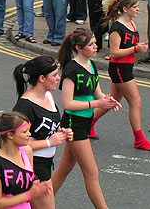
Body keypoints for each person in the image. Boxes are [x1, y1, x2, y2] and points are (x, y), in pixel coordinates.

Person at [51, 28, 121, 209]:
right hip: (74, 124)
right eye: (91, 44)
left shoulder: (91, 64)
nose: (96, 47)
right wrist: (96, 105)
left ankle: (39, 202)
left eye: (95, 43)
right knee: (92, 173)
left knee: (64, 169)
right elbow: (67, 104)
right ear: (79, 48)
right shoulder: (71, 69)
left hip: (84, 123)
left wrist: (108, 100)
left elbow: (96, 92)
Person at [92, 0, 150, 151]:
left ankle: (88, 124)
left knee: (112, 100)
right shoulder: (117, 27)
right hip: (120, 69)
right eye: (135, 7)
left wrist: (139, 47)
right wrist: (136, 49)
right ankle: (139, 139)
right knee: (135, 101)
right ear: (125, 9)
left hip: (126, 67)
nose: (137, 10)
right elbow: (114, 53)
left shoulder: (131, 24)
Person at [12, 55, 73, 209]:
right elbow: (14, 144)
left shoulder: (48, 96)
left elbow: (47, 125)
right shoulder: (25, 107)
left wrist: (61, 131)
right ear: (41, 78)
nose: (58, 78)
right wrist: (49, 142)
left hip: (45, 165)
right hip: (32, 167)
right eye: (54, 75)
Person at [0, 112, 53, 209]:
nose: (29, 134)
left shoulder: (27, 151)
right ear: (10, 135)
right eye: (25, 132)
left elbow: (30, 177)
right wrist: (29, 195)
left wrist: (37, 185)